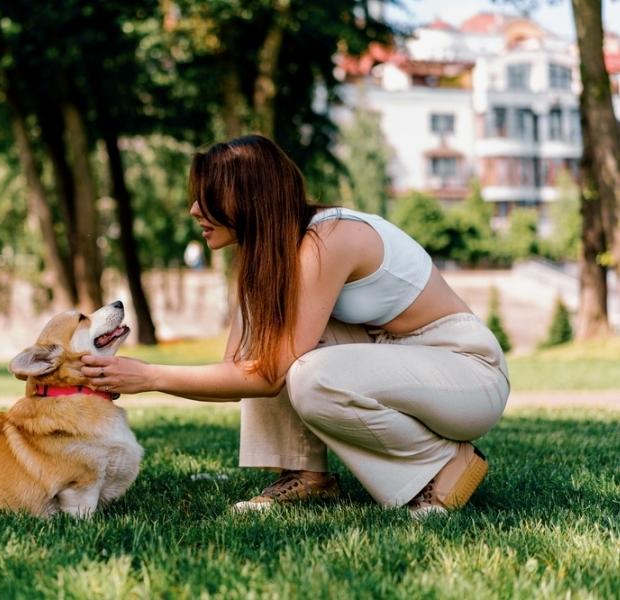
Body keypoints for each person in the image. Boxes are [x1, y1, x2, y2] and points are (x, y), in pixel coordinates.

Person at [81, 135, 509, 518]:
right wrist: (142, 376)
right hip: (401, 362)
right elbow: (239, 369)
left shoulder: (329, 238)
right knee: (272, 338)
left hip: (464, 372)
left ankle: (442, 462)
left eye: (208, 196)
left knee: (308, 375)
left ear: (249, 199)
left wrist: (150, 376)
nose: (195, 209)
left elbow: (267, 377)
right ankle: (306, 475)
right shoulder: (269, 260)